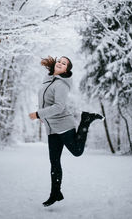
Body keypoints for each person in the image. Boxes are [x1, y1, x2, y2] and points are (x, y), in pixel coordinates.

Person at [29, 56, 104, 207]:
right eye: (59, 61)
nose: (60, 64)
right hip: (51, 128)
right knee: (54, 162)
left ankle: (86, 119)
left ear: (66, 70)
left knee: (77, 152)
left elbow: (59, 107)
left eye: (64, 64)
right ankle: (55, 193)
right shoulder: (47, 80)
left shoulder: (62, 85)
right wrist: (44, 117)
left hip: (63, 125)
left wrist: (38, 114)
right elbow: (45, 102)